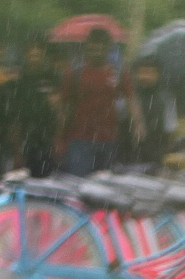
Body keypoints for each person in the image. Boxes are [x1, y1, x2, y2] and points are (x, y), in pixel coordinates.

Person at [56, 33, 125, 175]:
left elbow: (131, 99)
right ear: (86, 50)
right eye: (92, 49)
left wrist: (138, 125)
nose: (96, 53)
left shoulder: (118, 73)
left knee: (105, 186)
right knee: (78, 182)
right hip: (80, 138)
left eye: (100, 49)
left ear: (107, 50)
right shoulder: (75, 73)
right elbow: (63, 106)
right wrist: (59, 136)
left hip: (109, 138)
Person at [12, 44, 63, 177]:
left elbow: (59, 110)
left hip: (47, 136)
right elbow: (15, 116)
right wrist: (17, 149)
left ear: (44, 57)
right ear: (26, 57)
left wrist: (58, 138)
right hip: (26, 136)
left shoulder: (52, 78)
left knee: (48, 176)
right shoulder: (19, 82)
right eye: (32, 55)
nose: (34, 59)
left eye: (38, 55)